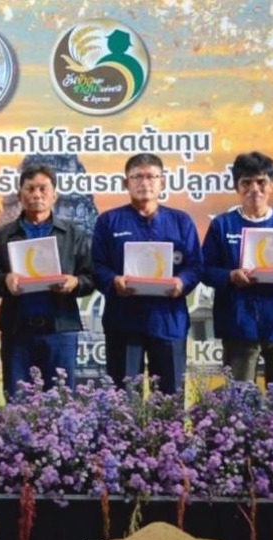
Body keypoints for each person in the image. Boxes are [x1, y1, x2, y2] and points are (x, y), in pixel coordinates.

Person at [201, 151, 273, 386]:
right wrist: (230, 276)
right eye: (246, 182)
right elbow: (205, 269)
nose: (254, 189)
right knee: (239, 398)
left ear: (272, 185)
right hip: (239, 322)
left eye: (261, 182)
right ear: (237, 187)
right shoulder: (222, 225)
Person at [92, 153, 202, 395]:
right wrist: (113, 280)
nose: (145, 182)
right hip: (123, 320)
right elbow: (97, 265)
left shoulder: (181, 221)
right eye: (137, 176)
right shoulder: (109, 221)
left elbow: (195, 265)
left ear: (162, 182)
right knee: (124, 397)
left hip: (168, 321)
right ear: (126, 183)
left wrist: (181, 282)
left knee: (170, 397)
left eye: (152, 176)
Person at [0, 163, 95, 399]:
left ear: (54, 195)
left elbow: (90, 277)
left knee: (61, 401)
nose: (36, 195)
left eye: (43, 189)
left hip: (61, 330)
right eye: (30, 189)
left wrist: (74, 282)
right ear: (20, 195)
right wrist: (6, 280)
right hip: (17, 330)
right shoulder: (2, 236)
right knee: (17, 401)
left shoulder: (73, 235)